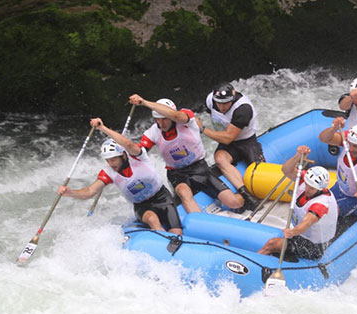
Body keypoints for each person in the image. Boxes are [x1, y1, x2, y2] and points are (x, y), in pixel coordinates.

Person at [58, 118, 183, 235]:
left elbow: (128, 144)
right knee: (152, 219)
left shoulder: (137, 157)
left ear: (123, 155)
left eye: (113, 160)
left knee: (177, 231)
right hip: (142, 206)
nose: (111, 164)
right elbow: (89, 192)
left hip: (162, 197)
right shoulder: (109, 173)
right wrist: (70, 192)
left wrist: (102, 128)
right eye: (108, 161)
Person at [128, 94, 246, 213]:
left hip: (199, 168)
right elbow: (139, 152)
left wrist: (144, 102)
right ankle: (200, 221)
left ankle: (246, 199)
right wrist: (126, 149)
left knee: (234, 202)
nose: (161, 123)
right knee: (184, 193)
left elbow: (176, 115)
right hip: (177, 174)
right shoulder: (152, 132)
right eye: (158, 119)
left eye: (164, 119)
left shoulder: (186, 118)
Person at [258, 146, 338, 261]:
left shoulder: (321, 203)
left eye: (312, 188)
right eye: (307, 185)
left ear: (320, 189)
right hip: (301, 235)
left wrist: (292, 232)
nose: (307, 189)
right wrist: (297, 156)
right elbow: (286, 170)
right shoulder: (306, 180)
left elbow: (307, 222)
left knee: (271, 244)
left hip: (313, 245)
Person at [196, 82, 263, 210]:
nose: (221, 107)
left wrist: (203, 129)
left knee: (259, 172)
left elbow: (228, 138)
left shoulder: (243, 109)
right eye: (219, 103)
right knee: (220, 158)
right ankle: (245, 194)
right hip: (229, 144)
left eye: (226, 103)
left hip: (246, 141)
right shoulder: (210, 100)